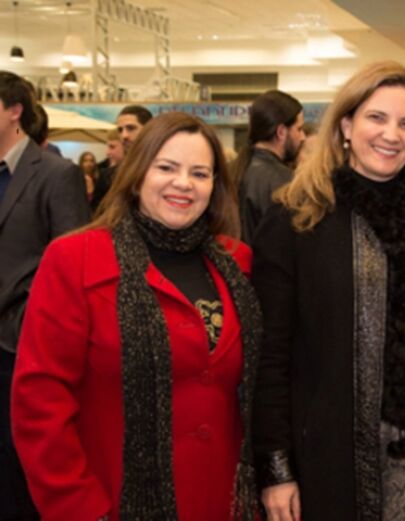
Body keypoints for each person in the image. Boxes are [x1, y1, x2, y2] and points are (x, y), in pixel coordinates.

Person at [11, 112, 261, 521]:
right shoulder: (76, 260)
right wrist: (80, 509)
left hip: (224, 503)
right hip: (114, 502)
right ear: (137, 172)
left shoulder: (236, 263)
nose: (183, 183)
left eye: (200, 173)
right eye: (166, 167)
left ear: (215, 185)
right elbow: (40, 404)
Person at [252, 61, 405, 521]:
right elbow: (269, 355)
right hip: (324, 460)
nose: (391, 135)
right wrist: (276, 468)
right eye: (376, 118)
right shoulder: (295, 219)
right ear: (346, 124)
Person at [0, 70, 90, 521]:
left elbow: (72, 261)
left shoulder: (56, 174)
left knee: (20, 471)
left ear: (14, 111)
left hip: (21, 343)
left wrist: (26, 314)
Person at [233, 90, 305, 243]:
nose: (302, 137)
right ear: (281, 132)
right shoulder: (287, 183)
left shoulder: (232, 171)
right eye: (299, 129)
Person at [91, 105, 152, 210]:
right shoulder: (108, 177)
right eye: (120, 130)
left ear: (149, 129)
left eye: (131, 128)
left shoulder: (167, 169)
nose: (124, 135)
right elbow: (97, 214)